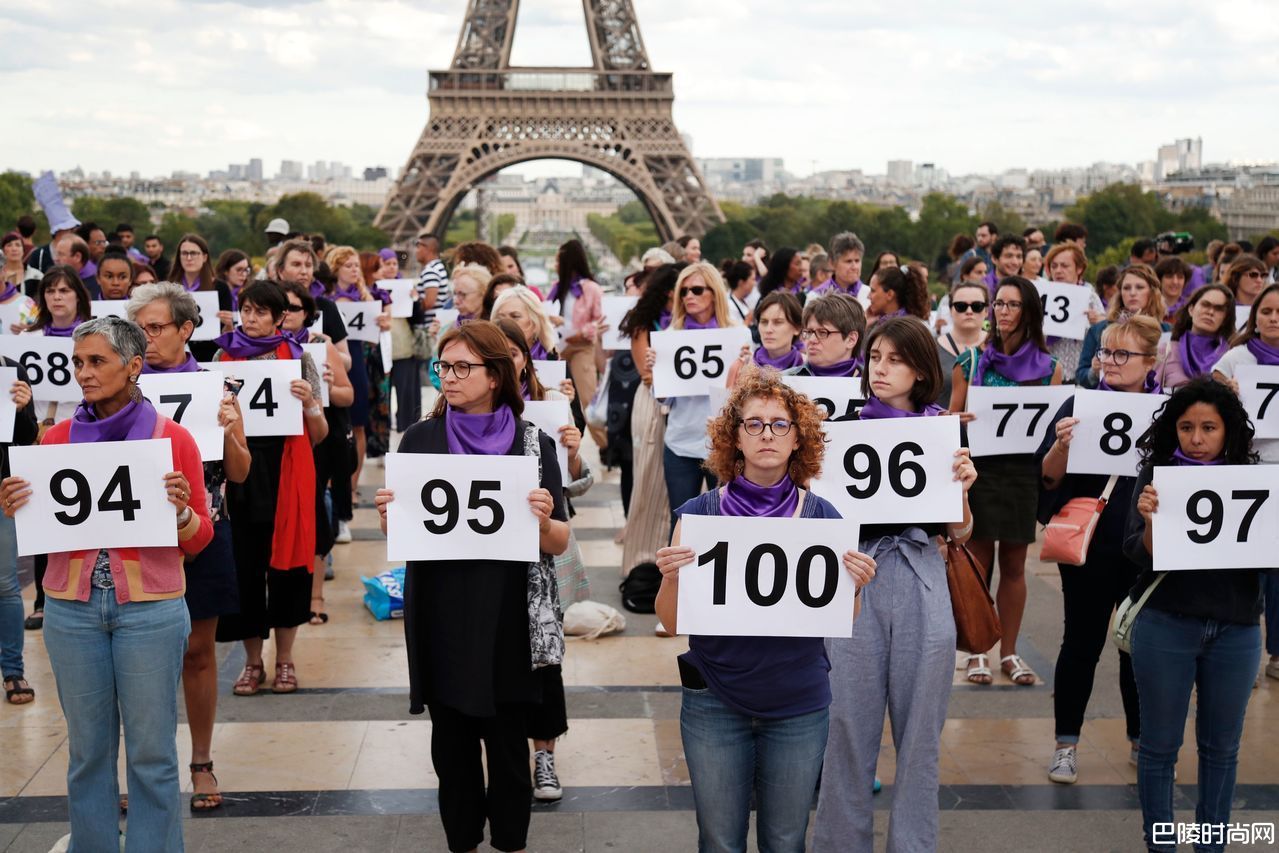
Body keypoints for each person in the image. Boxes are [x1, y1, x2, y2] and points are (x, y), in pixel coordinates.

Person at [0, 316, 213, 850]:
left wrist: (182, 512)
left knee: (152, 753)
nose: (83, 373)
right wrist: (12, 508)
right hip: (70, 611)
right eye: (78, 362)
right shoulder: (55, 437)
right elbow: (41, 522)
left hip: (151, 609)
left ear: (133, 365)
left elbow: (200, 537)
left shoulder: (173, 438)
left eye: (96, 361)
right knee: (87, 752)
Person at [654, 369, 877, 853]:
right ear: (734, 437)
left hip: (798, 701)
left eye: (780, 424)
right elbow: (672, 622)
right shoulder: (698, 514)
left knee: (785, 840)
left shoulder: (824, 517)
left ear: (799, 438)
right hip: (714, 698)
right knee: (719, 841)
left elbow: (843, 618)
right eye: (754, 424)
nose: (767, 434)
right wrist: (670, 576)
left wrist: (855, 585)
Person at [374, 321, 569, 853]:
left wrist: (544, 519)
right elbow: (404, 535)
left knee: (508, 748)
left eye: (463, 368)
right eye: (444, 367)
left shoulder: (533, 442)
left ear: (495, 375)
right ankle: (461, 839)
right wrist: (389, 517)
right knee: (452, 748)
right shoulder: (419, 438)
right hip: (441, 610)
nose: (450, 378)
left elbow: (559, 542)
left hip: (509, 614)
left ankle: (510, 840)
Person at [814, 317, 977, 853]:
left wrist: (963, 488)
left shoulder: (943, 430)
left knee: (920, 738)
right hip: (853, 576)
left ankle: (913, 845)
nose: (880, 369)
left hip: (922, 575)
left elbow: (962, 531)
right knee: (845, 729)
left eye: (894, 360)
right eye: (874, 357)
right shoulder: (840, 426)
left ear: (922, 370)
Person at [1125, 379, 1265, 853]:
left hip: (1236, 630)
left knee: (1221, 749)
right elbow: (1138, 556)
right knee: (1159, 747)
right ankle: (1161, 844)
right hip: (1166, 624)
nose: (1197, 438)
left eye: (1209, 427)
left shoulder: (1254, 479)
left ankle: (1211, 846)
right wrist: (1149, 522)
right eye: (1186, 427)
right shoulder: (1156, 476)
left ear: (1229, 431)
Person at [129, 282, 251, 811]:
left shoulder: (216, 386)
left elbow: (241, 472)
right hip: (137, 532)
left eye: (156, 328)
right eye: (140, 330)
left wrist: (228, 430)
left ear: (186, 330)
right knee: (139, 660)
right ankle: (145, 767)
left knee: (199, 653)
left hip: (204, 527)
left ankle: (201, 762)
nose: (147, 339)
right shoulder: (119, 386)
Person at [1036, 315, 1163, 786]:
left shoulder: (1167, 410)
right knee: (1082, 642)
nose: (1110, 362)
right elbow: (1047, 479)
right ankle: (1065, 744)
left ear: (1151, 362)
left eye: (1123, 354)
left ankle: (1141, 738)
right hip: (1089, 544)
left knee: (1139, 646)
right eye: (1106, 352)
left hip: (1145, 546)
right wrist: (1062, 445)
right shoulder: (1079, 403)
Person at [214, 281, 327, 695]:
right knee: (244, 569)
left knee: (287, 571)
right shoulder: (222, 358)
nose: (252, 319)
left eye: (262, 312)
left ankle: (284, 659)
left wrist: (309, 403)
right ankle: (251, 661)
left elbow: (320, 432)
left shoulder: (300, 359)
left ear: (280, 317)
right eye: (246, 310)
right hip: (239, 470)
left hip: (286, 472)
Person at [496, 317, 593, 801]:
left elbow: (579, 482)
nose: (508, 361)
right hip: (490, 554)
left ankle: (544, 753)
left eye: (515, 353)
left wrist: (573, 454)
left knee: (543, 650)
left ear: (525, 359)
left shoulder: (551, 406)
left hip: (540, 547)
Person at [950, 276, 1064, 686]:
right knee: (978, 563)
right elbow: (948, 420)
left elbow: (1052, 430)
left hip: (1021, 474)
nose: (1002, 311)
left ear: (1028, 311)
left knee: (1015, 565)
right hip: (980, 471)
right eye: (998, 303)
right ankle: (978, 650)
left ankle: (1010, 652)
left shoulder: (1051, 370)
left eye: (1012, 305)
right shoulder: (972, 362)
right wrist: (956, 421)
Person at [279, 279, 355, 623]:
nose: (285, 313)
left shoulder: (320, 347)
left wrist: (322, 386)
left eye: (293, 307)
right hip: (280, 445)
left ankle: (316, 597)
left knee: (316, 512)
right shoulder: (258, 350)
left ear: (308, 313)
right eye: (280, 306)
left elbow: (347, 395)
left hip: (317, 440)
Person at [647, 262, 740, 532]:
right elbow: (663, 401)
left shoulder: (736, 337)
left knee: (725, 524)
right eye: (683, 291)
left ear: (715, 293)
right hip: (681, 442)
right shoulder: (670, 338)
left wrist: (742, 368)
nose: (689, 296)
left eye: (697, 290)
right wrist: (657, 373)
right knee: (682, 525)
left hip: (723, 443)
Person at [620, 264, 681, 584]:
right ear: (671, 291)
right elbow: (646, 374)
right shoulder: (645, 323)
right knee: (648, 478)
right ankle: (643, 561)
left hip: (682, 408)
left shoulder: (691, 326)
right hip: (653, 402)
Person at [0, 359, 38, 705]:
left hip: (1, 491)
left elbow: (27, 439)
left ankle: (13, 670)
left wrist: (25, 408)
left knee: (5, 584)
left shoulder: (10, 371)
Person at [1212, 282, 1279, 463]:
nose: (1273, 318)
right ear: (1255, 318)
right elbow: (1211, 401)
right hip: (1250, 459)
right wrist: (1226, 391)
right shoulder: (1235, 357)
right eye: (1266, 312)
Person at [548, 239, 605, 447]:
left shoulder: (591, 289)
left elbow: (599, 321)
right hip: (560, 348)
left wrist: (580, 332)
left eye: (558, 261)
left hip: (581, 346)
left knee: (587, 399)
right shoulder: (557, 288)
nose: (555, 265)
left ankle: (605, 444)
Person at [1077, 265, 1168, 388]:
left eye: (1139, 287)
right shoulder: (1099, 329)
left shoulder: (1167, 331)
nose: (1132, 293)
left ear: (1152, 292)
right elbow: (1081, 376)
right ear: (1120, 293)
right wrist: (1093, 371)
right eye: (1126, 288)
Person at [1155, 284, 1234, 390]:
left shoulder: (1231, 356)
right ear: (1191, 309)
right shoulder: (1165, 351)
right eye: (1205, 305)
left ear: (1226, 318)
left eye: (1219, 309)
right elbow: (1151, 392)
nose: (1210, 312)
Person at [728, 290, 803, 385]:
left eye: (778, 322)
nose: (768, 329)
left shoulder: (807, 368)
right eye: (764, 322)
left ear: (797, 328)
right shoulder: (741, 367)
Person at [788, 293, 867, 379]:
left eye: (822, 332)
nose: (812, 340)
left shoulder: (873, 386)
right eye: (809, 332)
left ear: (851, 340)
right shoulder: (783, 383)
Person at [937, 281, 989, 359]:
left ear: (986, 311)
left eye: (977, 306)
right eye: (961, 306)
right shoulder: (932, 349)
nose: (969, 311)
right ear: (951, 310)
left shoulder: (1000, 346)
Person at [416, 232, 451, 326]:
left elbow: (429, 303)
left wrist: (415, 297)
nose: (416, 251)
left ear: (427, 248)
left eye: (418, 246)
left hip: (430, 325)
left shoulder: (430, 271)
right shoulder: (438, 267)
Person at [1154, 256, 1192, 321]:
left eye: (1180, 277)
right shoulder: (1150, 307)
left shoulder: (1190, 309)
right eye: (1169, 276)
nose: (1175, 282)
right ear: (1159, 279)